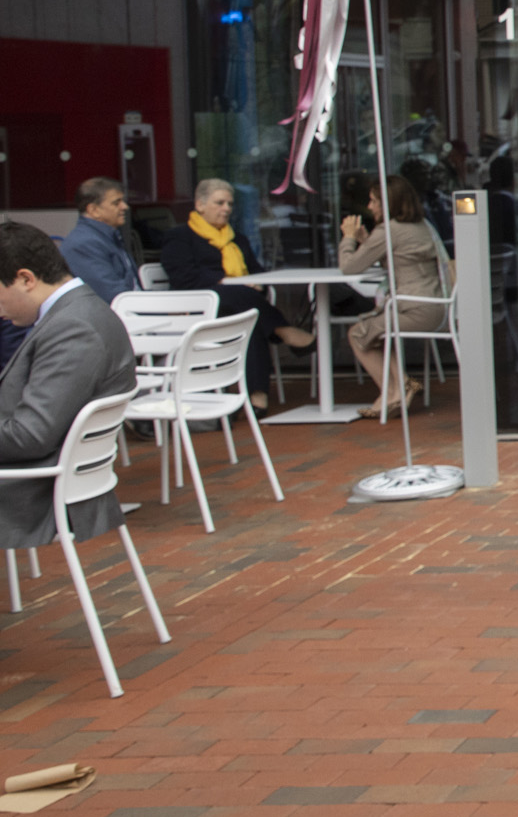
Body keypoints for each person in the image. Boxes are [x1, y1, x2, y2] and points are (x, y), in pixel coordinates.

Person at [0, 221, 138, 554]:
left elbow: (30, 436)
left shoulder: (74, 327)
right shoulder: (76, 313)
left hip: (32, 487)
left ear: (26, 279)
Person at [158, 178, 313, 410]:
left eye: (230, 204)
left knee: (248, 320)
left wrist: (255, 284)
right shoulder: (180, 236)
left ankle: (257, 395)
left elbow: (258, 272)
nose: (226, 209)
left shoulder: (237, 239)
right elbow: (183, 277)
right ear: (200, 205)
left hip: (237, 308)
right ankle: (282, 331)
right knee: (242, 302)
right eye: (219, 203)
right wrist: (227, 281)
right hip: (199, 307)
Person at [338, 175, 446, 421]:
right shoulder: (422, 226)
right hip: (435, 307)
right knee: (376, 331)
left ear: (388, 203)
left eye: (374, 201)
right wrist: (368, 242)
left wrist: (348, 238)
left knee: (357, 333)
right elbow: (399, 257)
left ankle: (392, 391)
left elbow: (349, 268)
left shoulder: (389, 230)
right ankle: (402, 385)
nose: (369, 207)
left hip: (414, 310)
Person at [59, 177, 140, 301]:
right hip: (120, 315)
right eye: (116, 203)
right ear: (94, 210)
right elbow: (113, 296)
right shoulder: (83, 244)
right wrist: (162, 309)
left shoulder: (106, 237)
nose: (125, 207)